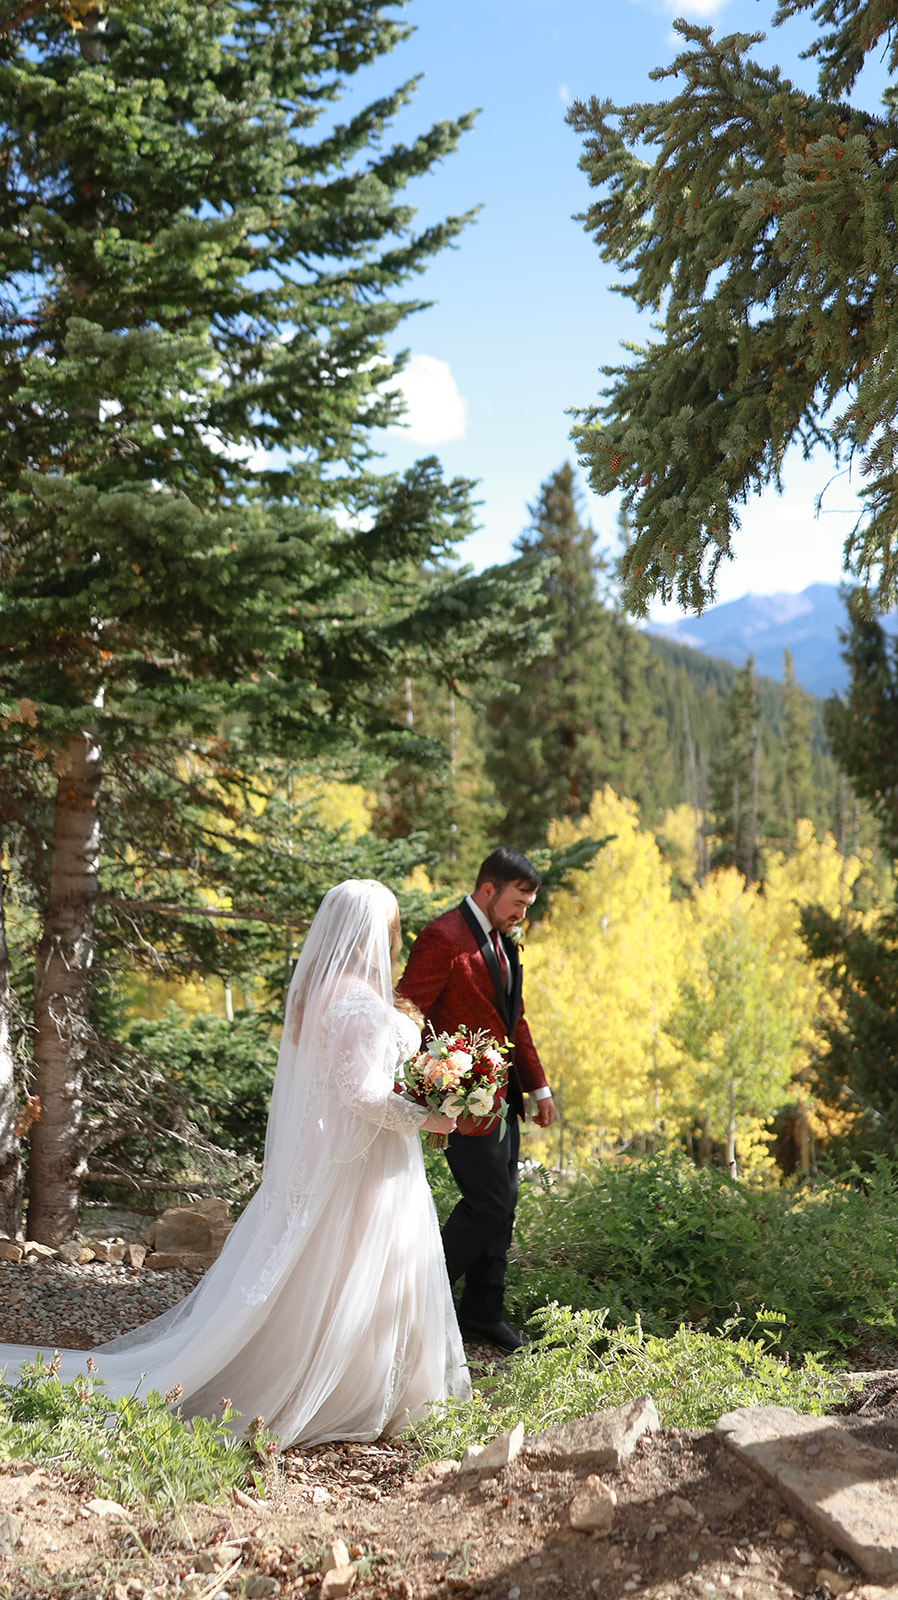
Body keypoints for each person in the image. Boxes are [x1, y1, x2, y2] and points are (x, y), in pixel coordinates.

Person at [0, 880, 470, 1445]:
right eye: (393, 925)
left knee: (345, 1268)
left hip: (348, 1157)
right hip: (362, 1160)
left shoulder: (323, 991)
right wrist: (429, 1117)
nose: (397, 936)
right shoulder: (357, 1002)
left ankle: (368, 1385)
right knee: (357, 1267)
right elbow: (362, 1096)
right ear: (375, 930)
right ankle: (347, 1391)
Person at [398, 847, 555, 1354]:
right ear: (488, 889)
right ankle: (420, 1301)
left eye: (528, 905)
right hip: (460, 1100)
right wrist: (432, 1082)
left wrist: (538, 1086)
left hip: (504, 1098)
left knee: (503, 1207)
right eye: (518, 902)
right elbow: (407, 1011)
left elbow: (515, 1019)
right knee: (488, 1203)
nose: (522, 915)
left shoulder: (503, 940)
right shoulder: (443, 937)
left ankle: (482, 1313)